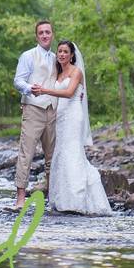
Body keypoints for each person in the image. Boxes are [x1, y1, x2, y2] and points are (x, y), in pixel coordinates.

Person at [31, 39, 112, 216]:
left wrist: (44, 90)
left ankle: (77, 199)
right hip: (59, 118)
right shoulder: (57, 73)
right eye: (59, 51)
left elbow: (68, 93)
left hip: (74, 116)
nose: (61, 54)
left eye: (65, 52)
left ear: (72, 55)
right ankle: (61, 200)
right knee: (60, 154)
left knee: (73, 152)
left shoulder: (76, 72)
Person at [11, 20, 59, 209]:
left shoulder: (57, 58)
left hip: (52, 111)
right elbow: (18, 81)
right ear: (37, 36)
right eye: (41, 33)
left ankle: (52, 197)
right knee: (26, 154)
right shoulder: (28, 56)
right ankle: (20, 199)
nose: (45, 35)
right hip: (32, 109)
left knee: (52, 156)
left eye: (48, 32)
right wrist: (31, 89)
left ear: (52, 34)